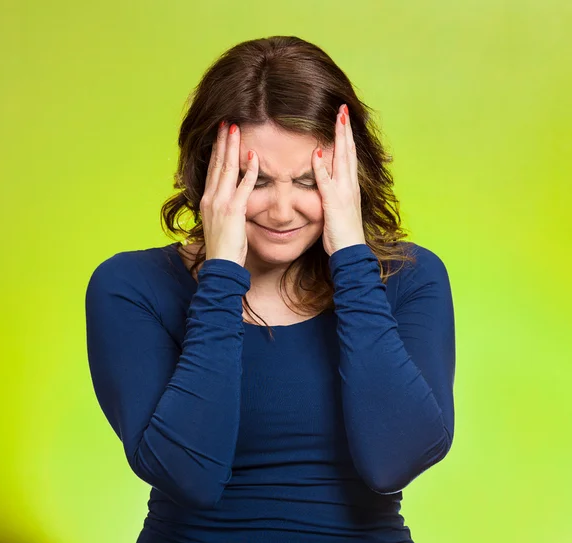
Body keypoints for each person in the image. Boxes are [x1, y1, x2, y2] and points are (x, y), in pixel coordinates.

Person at [85, 35, 456, 542]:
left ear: (352, 175)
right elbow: (190, 477)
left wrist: (351, 258)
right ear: (204, 174)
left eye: (309, 181)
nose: (282, 212)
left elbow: (394, 461)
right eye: (253, 180)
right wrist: (220, 278)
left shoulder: (407, 278)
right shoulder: (131, 287)